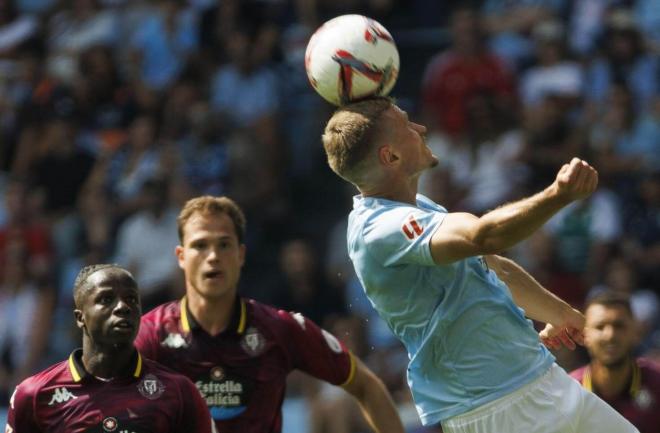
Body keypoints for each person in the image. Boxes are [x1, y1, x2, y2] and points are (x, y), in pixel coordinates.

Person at [321, 96, 639, 433]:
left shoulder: (419, 206)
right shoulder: (380, 229)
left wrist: (562, 315)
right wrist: (557, 195)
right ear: (391, 156)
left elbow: (494, 267)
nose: (421, 128)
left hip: (543, 378)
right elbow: (484, 236)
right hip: (496, 409)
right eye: (407, 126)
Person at [134, 195, 405, 433]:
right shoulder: (149, 335)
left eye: (224, 245)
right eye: (200, 245)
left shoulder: (279, 328)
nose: (213, 256)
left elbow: (367, 386)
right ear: (181, 256)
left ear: (241, 255)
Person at [5, 264, 212, 433]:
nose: (123, 307)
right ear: (80, 317)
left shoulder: (179, 392)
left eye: (131, 299)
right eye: (106, 299)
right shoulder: (34, 395)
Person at [571, 291, 660, 433]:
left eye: (619, 326)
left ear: (635, 332)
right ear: (584, 335)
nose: (610, 335)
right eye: (600, 327)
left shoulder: (657, 383)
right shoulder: (570, 391)